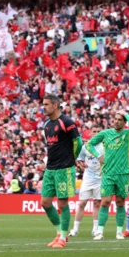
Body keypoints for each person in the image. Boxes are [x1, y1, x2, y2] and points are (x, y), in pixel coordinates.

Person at [86, 109, 129, 240]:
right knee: (105, 202)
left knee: (120, 202)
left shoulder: (128, 134)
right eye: (115, 119)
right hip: (108, 173)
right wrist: (98, 155)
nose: (116, 121)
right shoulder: (105, 133)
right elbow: (89, 144)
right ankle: (99, 232)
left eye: (120, 120)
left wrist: (126, 113)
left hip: (123, 173)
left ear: (124, 122)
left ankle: (119, 232)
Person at [40, 94, 83, 248]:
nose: (43, 107)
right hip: (50, 168)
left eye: (46, 104)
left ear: (55, 105)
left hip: (64, 168)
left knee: (63, 203)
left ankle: (63, 238)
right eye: (43, 104)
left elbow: (78, 142)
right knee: (45, 202)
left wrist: (74, 159)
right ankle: (59, 233)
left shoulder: (67, 122)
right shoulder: (46, 125)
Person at [70, 124, 104, 237]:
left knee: (97, 203)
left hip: (100, 179)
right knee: (82, 203)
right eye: (94, 131)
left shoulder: (105, 146)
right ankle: (75, 228)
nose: (96, 133)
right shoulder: (86, 146)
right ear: (90, 132)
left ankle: (95, 229)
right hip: (88, 178)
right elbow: (80, 159)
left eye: (99, 131)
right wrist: (81, 165)